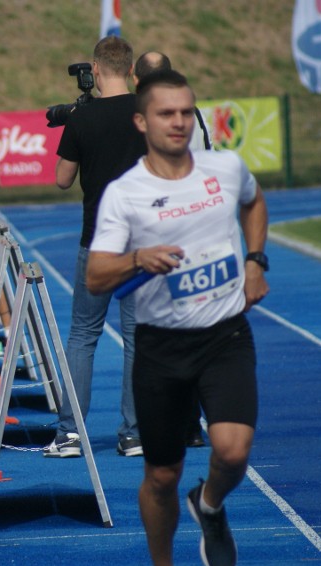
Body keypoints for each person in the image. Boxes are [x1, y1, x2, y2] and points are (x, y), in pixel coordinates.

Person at [86, 69, 269, 566]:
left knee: (232, 452)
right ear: (141, 121)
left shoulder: (225, 168)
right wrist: (136, 258)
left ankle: (208, 504)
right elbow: (97, 276)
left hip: (225, 334)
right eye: (167, 113)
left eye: (187, 112)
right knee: (162, 475)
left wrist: (255, 261)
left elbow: (254, 203)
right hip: (161, 347)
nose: (179, 122)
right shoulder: (126, 194)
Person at [48, 36, 147, 459]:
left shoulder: (82, 118)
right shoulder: (147, 114)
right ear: (129, 69)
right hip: (142, 242)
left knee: (83, 335)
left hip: (99, 240)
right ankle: (134, 433)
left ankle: (70, 433)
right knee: (137, 338)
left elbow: (62, 179)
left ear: (95, 67)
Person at [133, 51, 211, 449]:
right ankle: (191, 421)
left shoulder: (147, 117)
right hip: (195, 226)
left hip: (162, 226)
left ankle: (172, 419)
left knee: (162, 331)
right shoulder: (192, 115)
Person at [133, 51, 212, 152]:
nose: (179, 123)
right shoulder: (196, 114)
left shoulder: (138, 117)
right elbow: (209, 149)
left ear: (135, 81)